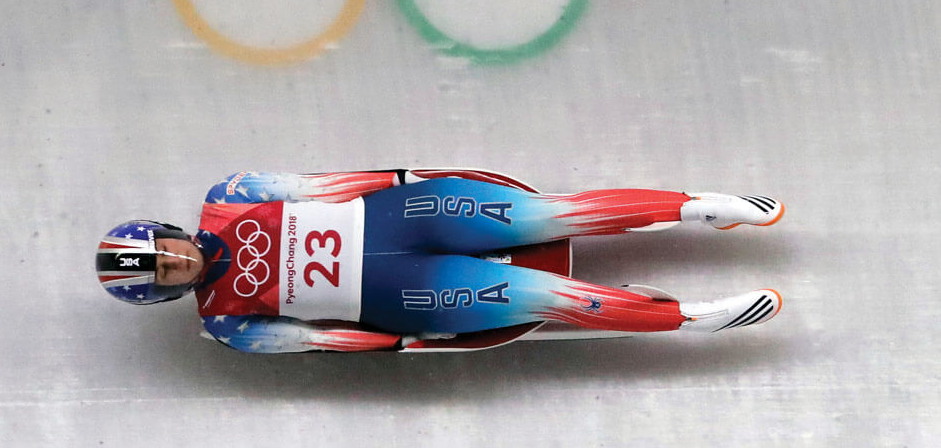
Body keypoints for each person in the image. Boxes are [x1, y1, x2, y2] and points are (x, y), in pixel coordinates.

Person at [96, 170, 784, 353]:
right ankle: (687, 319)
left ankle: (696, 206)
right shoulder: (226, 323)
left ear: (168, 232)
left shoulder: (231, 196)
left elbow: (328, 185)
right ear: (160, 294)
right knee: (550, 297)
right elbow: (325, 342)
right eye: (161, 274)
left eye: (164, 252)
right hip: (411, 293)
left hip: (406, 214)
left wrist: (410, 181)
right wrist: (405, 341)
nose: (177, 264)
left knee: (550, 212)